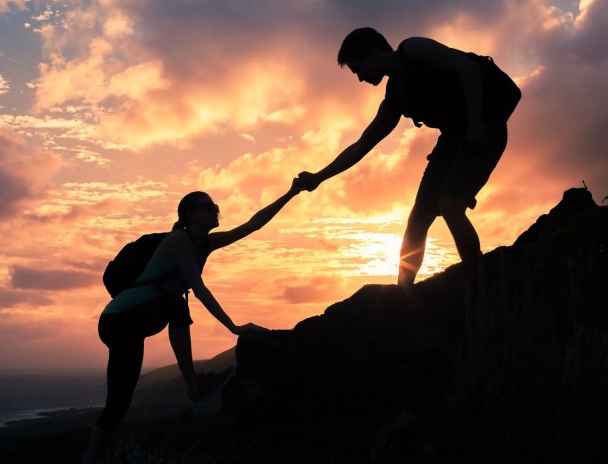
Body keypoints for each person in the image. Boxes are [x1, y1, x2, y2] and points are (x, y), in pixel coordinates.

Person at [83, 180, 302, 463]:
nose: (216, 210)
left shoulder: (205, 244)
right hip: (119, 320)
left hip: (137, 322)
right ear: (189, 214)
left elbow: (252, 225)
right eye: (208, 206)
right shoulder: (179, 240)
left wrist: (290, 193)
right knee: (175, 303)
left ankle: (90, 458)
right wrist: (233, 326)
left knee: (119, 404)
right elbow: (198, 289)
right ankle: (194, 386)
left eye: (215, 206)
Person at [297, 27, 521, 288]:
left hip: (484, 127)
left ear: (370, 53)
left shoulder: (414, 49)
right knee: (418, 218)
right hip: (453, 138)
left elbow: (468, 69)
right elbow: (361, 145)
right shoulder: (395, 99)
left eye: (358, 69)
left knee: (450, 205)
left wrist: (474, 124)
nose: (360, 79)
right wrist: (318, 178)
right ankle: (403, 294)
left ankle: (481, 283)